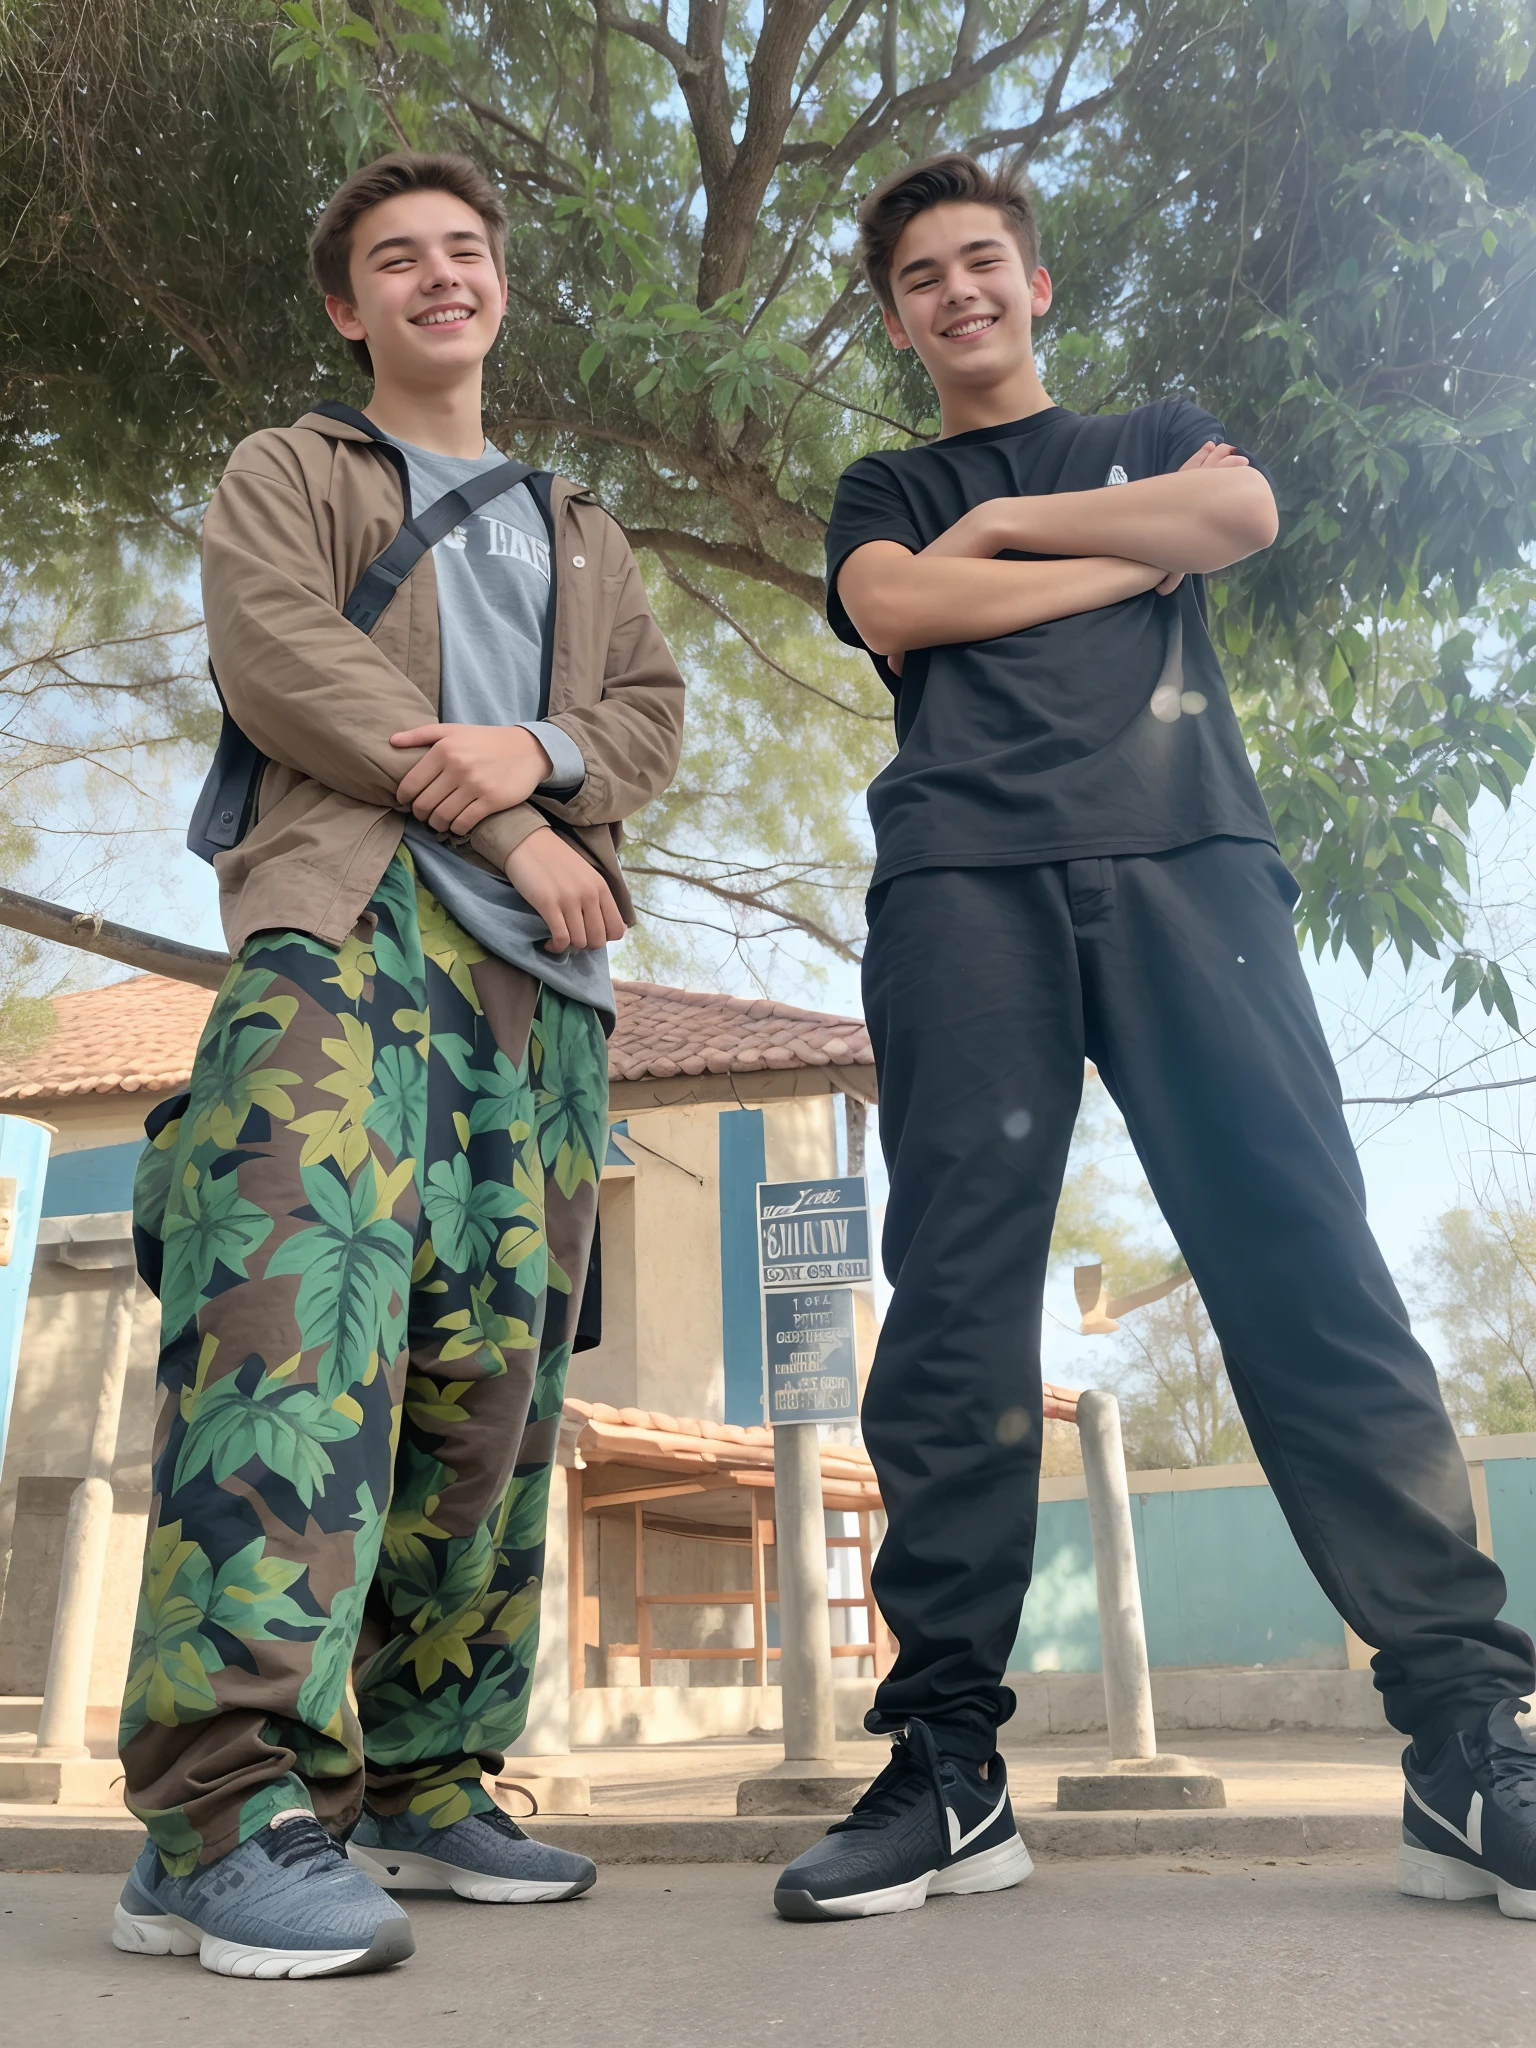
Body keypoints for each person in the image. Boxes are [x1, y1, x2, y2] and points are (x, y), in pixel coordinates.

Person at [773, 152, 1536, 1924]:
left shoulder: (1160, 425)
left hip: (1196, 863)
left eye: (984, 265)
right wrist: (1066, 550)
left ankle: (1461, 1726)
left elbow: (1236, 522)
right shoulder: (886, 485)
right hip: (963, 877)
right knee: (958, 1302)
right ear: (898, 320)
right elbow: (895, 608)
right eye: (921, 281)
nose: (958, 294)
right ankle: (950, 1763)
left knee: (1306, 1265)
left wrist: (1001, 541)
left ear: (1036, 285)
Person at [111, 151, 684, 1977]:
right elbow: (275, 651)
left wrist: (545, 761)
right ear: (350, 307)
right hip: (345, 939)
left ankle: (433, 1773)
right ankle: (216, 1815)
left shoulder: (585, 524)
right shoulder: (294, 472)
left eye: (466, 253)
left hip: (553, 1011)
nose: (441, 277)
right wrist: (513, 822)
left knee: (494, 1391)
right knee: (297, 1339)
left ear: (498, 289)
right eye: (396, 261)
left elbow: (649, 718)